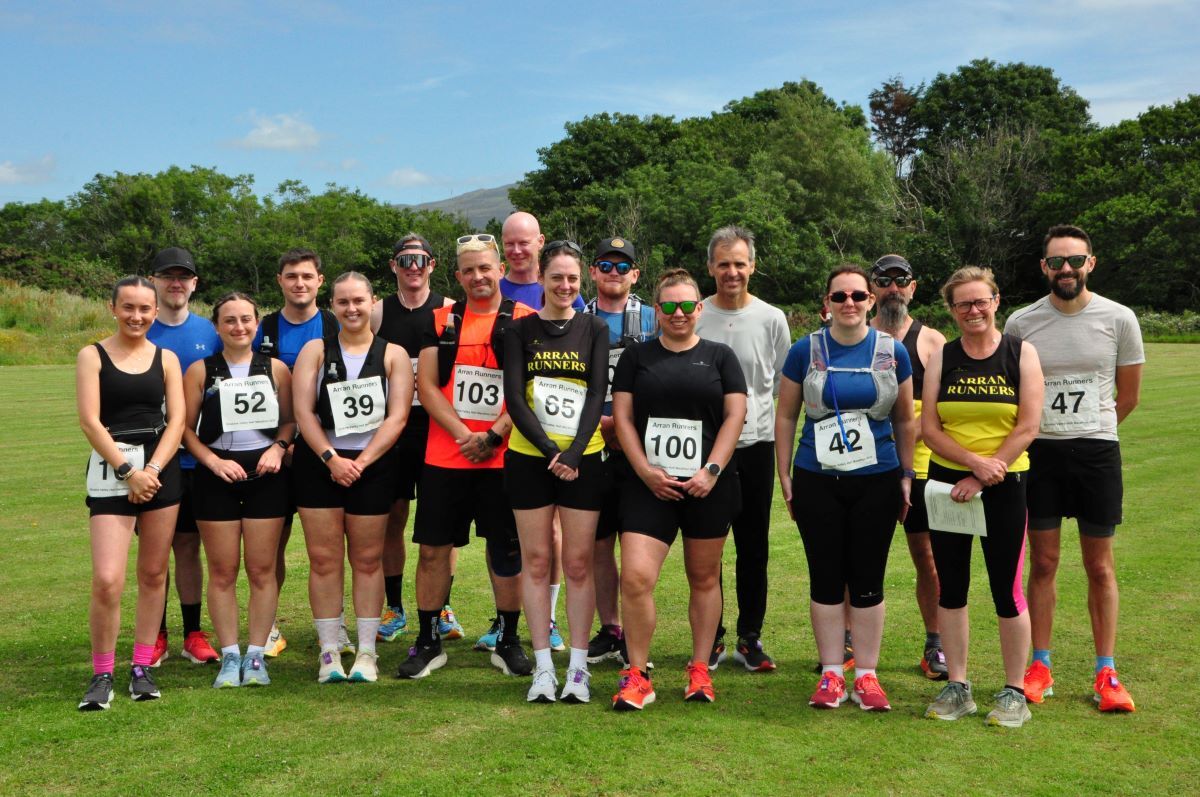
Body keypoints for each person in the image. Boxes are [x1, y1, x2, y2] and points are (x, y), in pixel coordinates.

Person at [1005, 225, 1143, 713]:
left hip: (1096, 453)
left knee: (1099, 565)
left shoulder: (1119, 318)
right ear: (1044, 267)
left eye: (1075, 260)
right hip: (1040, 456)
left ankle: (1106, 671)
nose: (1066, 269)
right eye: (1056, 262)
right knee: (1042, 563)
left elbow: (1126, 397)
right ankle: (1039, 665)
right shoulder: (1021, 324)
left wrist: (1090, 429)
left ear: (1091, 262)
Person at [775, 265, 915, 712]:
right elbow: (785, 416)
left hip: (878, 479)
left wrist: (907, 476)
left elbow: (905, 419)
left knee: (869, 576)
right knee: (826, 576)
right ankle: (832, 673)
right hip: (818, 478)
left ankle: (868, 676)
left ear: (871, 300)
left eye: (857, 295)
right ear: (826, 305)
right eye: (840, 297)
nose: (849, 303)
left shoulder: (894, 353)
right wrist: (785, 475)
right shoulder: (805, 351)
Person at [397, 233, 535, 680]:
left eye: (485, 268)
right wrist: (463, 435)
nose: (478, 276)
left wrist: (494, 436)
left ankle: (508, 638)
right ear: (457, 276)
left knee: (506, 550)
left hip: (505, 457)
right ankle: (427, 640)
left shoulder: (524, 318)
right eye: (469, 270)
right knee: (434, 550)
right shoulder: (440, 320)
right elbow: (427, 386)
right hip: (445, 457)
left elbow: (529, 388)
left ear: (500, 271)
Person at [610, 269, 747, 711]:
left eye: (687, 305)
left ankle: (700, 667)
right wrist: (646, 471)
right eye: (668, 306)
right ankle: (638, 672)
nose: (679, 314)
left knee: (704, 578)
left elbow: (734, 417)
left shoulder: (721, 357)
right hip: (649, 485)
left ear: (699, 309)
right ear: (656, 311)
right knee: (635, 577)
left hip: (707, 487)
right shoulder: (636, 357)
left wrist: (711, 470)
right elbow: (624, 420)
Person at [921, 266, 1043, 728]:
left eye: (981, 301)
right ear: (952, 310)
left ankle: (1014, 690)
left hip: (1006, 484)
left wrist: (986, 472)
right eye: (962, 304)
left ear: (996, 301)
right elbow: (930, 429)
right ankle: (958, 685)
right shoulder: (942, 358)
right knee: (951, 588)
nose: (973, 310)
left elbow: (1028, 425)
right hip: (949, 486)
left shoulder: (1020, 352)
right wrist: (971, 466)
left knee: (1006, 590)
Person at [292, 272, 413, 683]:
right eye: (343, 302)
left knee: (366, 560)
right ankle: (329, 652)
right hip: (320, 463)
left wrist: (361, 461)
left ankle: (366, 652)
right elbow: (304, 411)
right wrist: (330, 458)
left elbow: (398, 416)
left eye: (359, 300)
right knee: (324, 560)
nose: (352, 308)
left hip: (372, 465)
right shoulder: (315, 349)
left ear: (372, 301)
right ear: (333, 304)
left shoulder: (392, 353)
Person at [503, 241, 609, 703]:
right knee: (537, 561)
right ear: (541, 279)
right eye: (556, 278)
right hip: (529, 457)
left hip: (584, 458)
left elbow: (595, 394)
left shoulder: (595, 327)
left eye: (572, 279)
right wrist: (550, 450)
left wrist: (574, 452)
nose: (565, 286)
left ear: (580, 281)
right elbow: (514, 396)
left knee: (579, 563)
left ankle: (579, 667)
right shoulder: (519, 330)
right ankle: (543, 666)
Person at [76, 276, 185, 709]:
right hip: (111, 471)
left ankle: (141, 667)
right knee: (107, 579)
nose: (136, 316)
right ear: (114, 308)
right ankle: (102, 673)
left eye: (145, 309)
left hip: (160, 470)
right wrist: (128, 472)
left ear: (155, 312)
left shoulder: (167, 357)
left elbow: (176, 420)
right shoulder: (92, 355)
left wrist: (152, 469)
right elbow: (89, 421)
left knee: (154, 574)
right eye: (128, 308)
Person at [182, 293, 294, 688]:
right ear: (217, 327)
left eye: (246, 319)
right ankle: (230, 656)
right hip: (217, 474)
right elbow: (185, 428)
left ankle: (256, 655)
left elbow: (289, 423)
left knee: (263, 570)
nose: (239, 327)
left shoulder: (277, 369)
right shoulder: (200, 370)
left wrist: (278, 450)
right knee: (224, 571)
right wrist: (212, 462)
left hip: (267, 474)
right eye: (229, 321)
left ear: (256, 323)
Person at [694, 225, 790, 672]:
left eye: (739, 263)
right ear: (710, 266)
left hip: (756, 446)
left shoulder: (772, 318)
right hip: (705, 450)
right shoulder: (696, 314)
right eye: (723, 263)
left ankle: (749, 637)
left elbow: (783, 385)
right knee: (707, 547)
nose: (731, 271)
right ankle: (711, 637)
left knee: (754, 547)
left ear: (752, 266)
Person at [498, 211, 583, 650]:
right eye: (508, 242)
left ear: (539, 243)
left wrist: (568, 449)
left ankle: (548, 620)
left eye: (524, 242)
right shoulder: (497, 298)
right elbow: (512, 387)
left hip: (573, 448)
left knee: (558, 541)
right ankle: (511, 622)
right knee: (514, 539)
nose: (516, 250)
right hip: (518, 442)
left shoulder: (580, 310)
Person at [253, 248, 341, 658]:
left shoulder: (335, 323)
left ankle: (335, 626)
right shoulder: (264, 328)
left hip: (326, 451)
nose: (299, 283)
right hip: (273, 453)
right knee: (272, 545)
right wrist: (277, 443)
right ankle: (267, 625)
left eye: (307, 275)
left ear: (320, 281)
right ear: (280, 281)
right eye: (291, 276)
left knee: (330, 548)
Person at [868, 254, 949, 680]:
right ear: (872, 288)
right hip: (867, 464)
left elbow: (939, 412)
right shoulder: (854, 335)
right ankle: (849, 640)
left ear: (913, 288)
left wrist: (905, 438)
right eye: (884, 281)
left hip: (920, 467)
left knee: (928, 556)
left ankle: (934, 644)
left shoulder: (931, 342)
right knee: (858, 554)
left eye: (901, 281)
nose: (893, 288)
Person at [370, 234, 455, 644]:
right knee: (393, 517)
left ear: (432, 264)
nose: (413, 267)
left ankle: (443, 607)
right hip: (393, 428)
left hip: (438, 425)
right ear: (394, 265)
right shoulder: (376, 312)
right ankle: (394, 606)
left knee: (443, 519)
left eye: (420, 259)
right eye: (405, 260)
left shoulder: (450, 310)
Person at [582, 237, 658, 667]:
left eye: (622, 266)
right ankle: (610, 627)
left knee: (635, 544)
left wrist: (626, 428)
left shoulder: (653, 317)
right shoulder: (575, 317)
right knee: (597, 543)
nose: (613, 273)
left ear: (635, 273)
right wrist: (600, 425)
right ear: (592, 272)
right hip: (590, 444)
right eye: (605, 266)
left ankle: (634, 633)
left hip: (640, 448)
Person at [145, 247, 220, 667]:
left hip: (200, 460)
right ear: (154, 281)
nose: (176, 283)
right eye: (167, 276)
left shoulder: (211, 331)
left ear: (194, 284)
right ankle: (155, 635)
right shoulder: (141, 329)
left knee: (189, 548)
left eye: (184, 277)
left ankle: (193, 633)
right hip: (154, 462)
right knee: (155, 554)